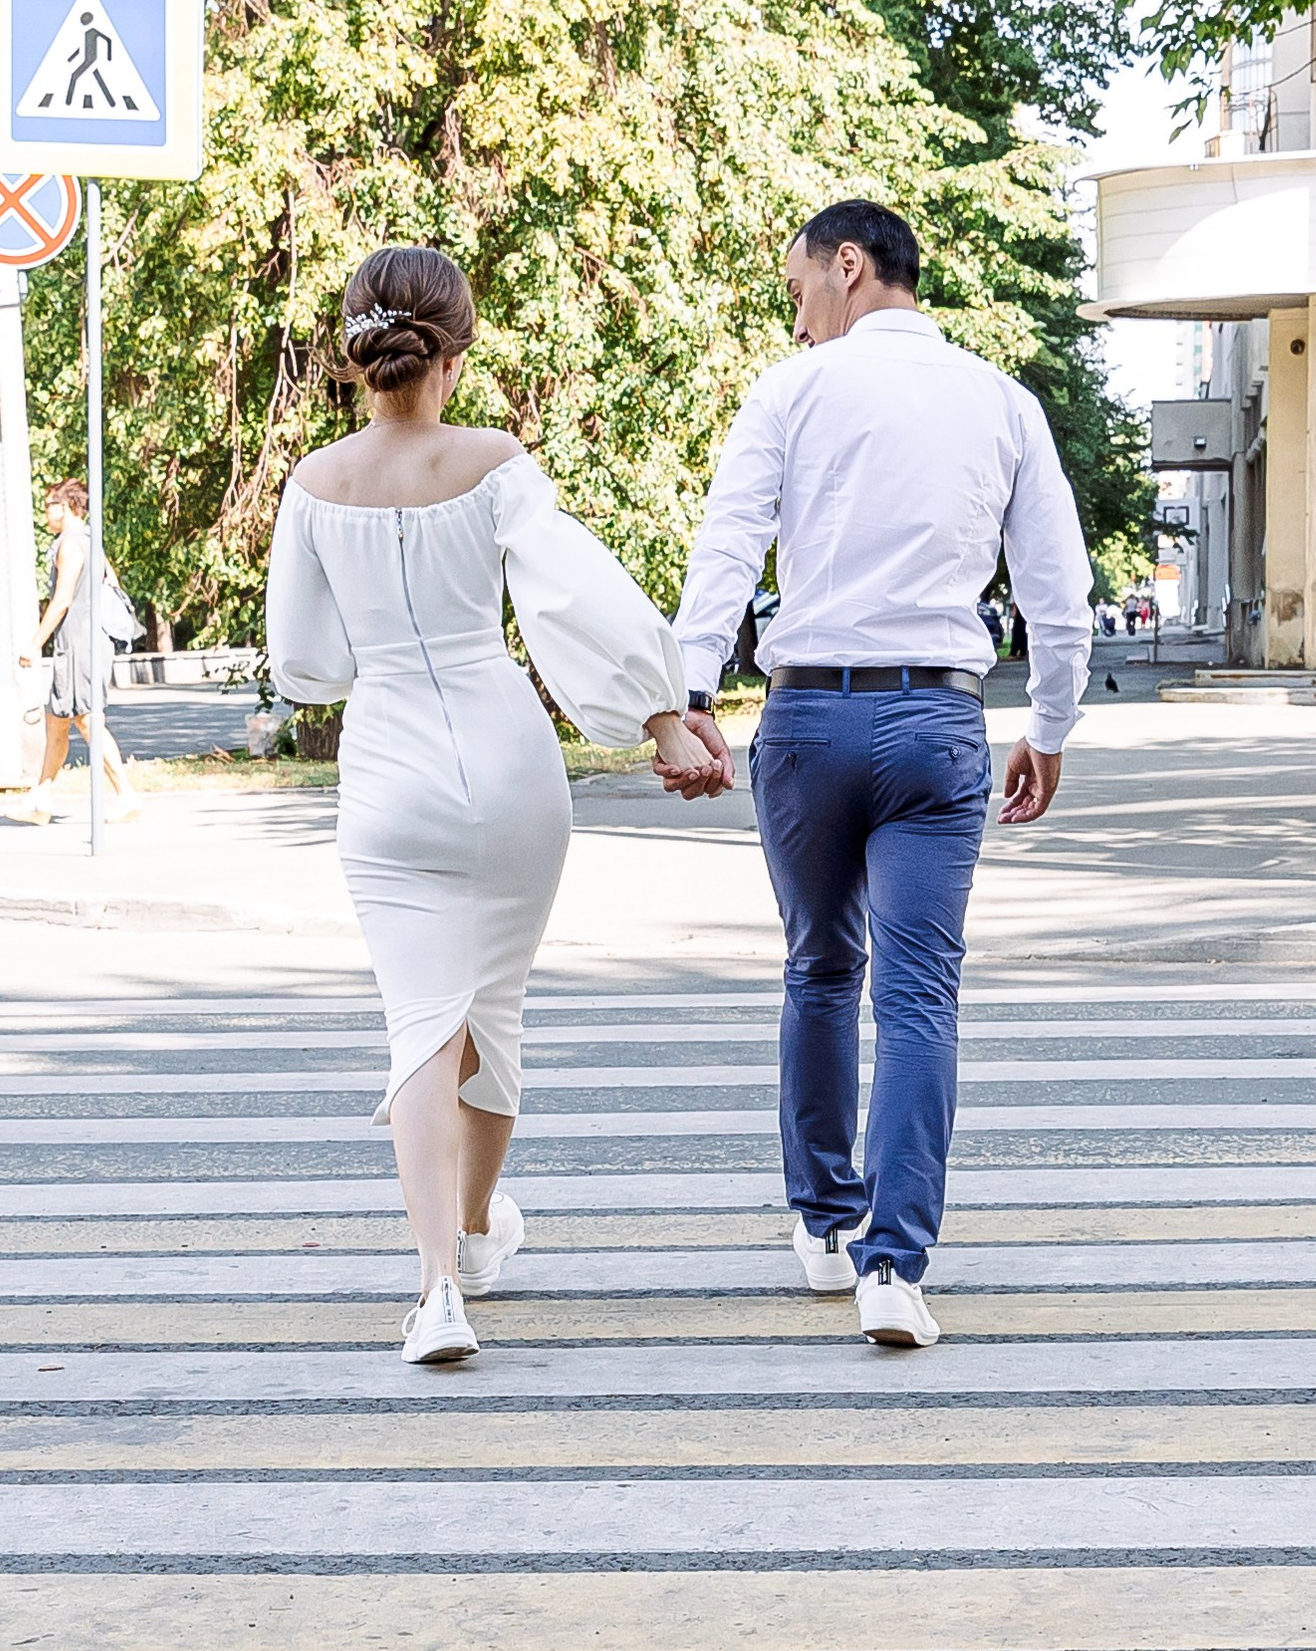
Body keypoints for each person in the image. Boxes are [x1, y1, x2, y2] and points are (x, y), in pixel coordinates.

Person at [266, 246, 715, 1366]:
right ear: (455, 353)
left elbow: (304, 664)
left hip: (389, 769)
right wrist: (660, 712)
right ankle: (471, 1235)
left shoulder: (315, 484)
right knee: (493, 1016)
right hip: (510, 764)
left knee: (422, 1022)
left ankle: (435, 1293)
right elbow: (577, 590)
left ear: (360, 350)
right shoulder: (497, 461)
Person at [666, 197, 1092, 1352]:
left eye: (801, 286)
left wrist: (690, 696)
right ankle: (893, 1265)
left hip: (807, 719)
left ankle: (821, 1219)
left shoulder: (790, 392)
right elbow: (1057, 588)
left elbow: (726, 543)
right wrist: (1048, 727)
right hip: (937, 725)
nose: (798, 316)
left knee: (818, 967)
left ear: (849, 267)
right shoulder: (1002, 402)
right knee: (918, 991)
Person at [25, 479, 140, 822]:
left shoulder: (70, 546)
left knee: (87, 719)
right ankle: (42, 797)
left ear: (67, 507)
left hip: (78, 645)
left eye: (50, 505)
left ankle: (126, 795)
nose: (45, 513)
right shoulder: (93, 542)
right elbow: (112, 584)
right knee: (57, 720)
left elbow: (62, 600)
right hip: (90, 641)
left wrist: (34, 644)